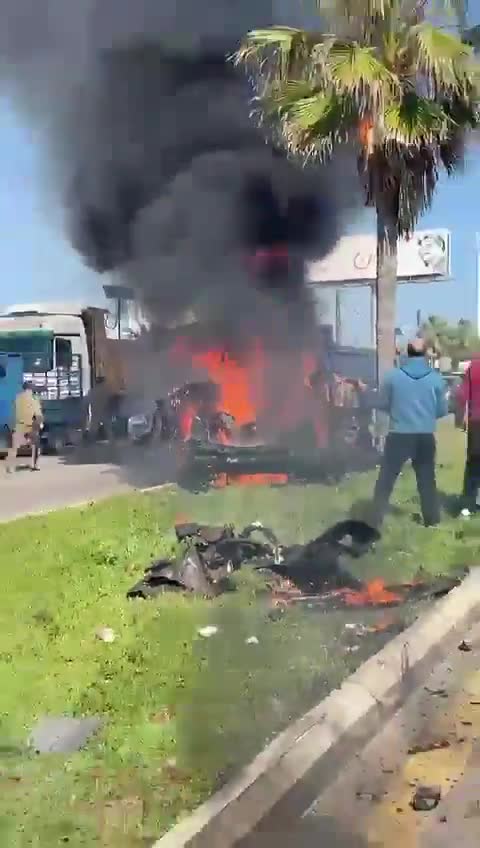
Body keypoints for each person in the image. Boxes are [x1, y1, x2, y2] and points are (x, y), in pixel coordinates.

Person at [371, 338, 447, 527]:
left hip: (399, 434)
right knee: (427, 479)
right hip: (424, 435)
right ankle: (431, 519)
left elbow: (382, 404)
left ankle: (374, 519)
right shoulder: (436, 379)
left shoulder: (392, 377)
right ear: (424, 354)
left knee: (386, 478)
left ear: (407, 352)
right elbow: (442, 410)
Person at [455, 357, 480, 511]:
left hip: (476, 421)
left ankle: (468, 504)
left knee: (474, 463)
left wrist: (462, 416)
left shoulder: (474, 367)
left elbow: (462, 394)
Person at [6, 381, 44, 474]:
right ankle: (35, 465)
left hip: (19, 425)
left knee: (14, 448)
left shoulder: (18, 398)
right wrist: (40, 423)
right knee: (36, 447)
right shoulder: (34, 399)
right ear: (31, 389)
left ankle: (10, 468)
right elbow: (38, 414)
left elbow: (14, 411)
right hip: (31, 426)